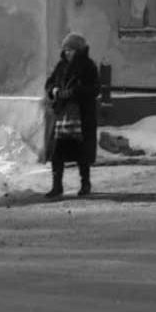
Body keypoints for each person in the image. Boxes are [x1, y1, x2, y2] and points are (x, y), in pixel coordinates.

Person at [42, 33, 101, 199]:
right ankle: (56, 186)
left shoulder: (88, 66)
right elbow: (50, 83)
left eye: (71, 50)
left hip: (81, 116)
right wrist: (54, 91)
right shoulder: (61, 66)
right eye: (65, 50)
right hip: (61, 117)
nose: (67, 53)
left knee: (82, 153)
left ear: (78, 50)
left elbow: (94, 89)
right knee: (57, 152)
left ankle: (85, 184)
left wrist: (74, 92)